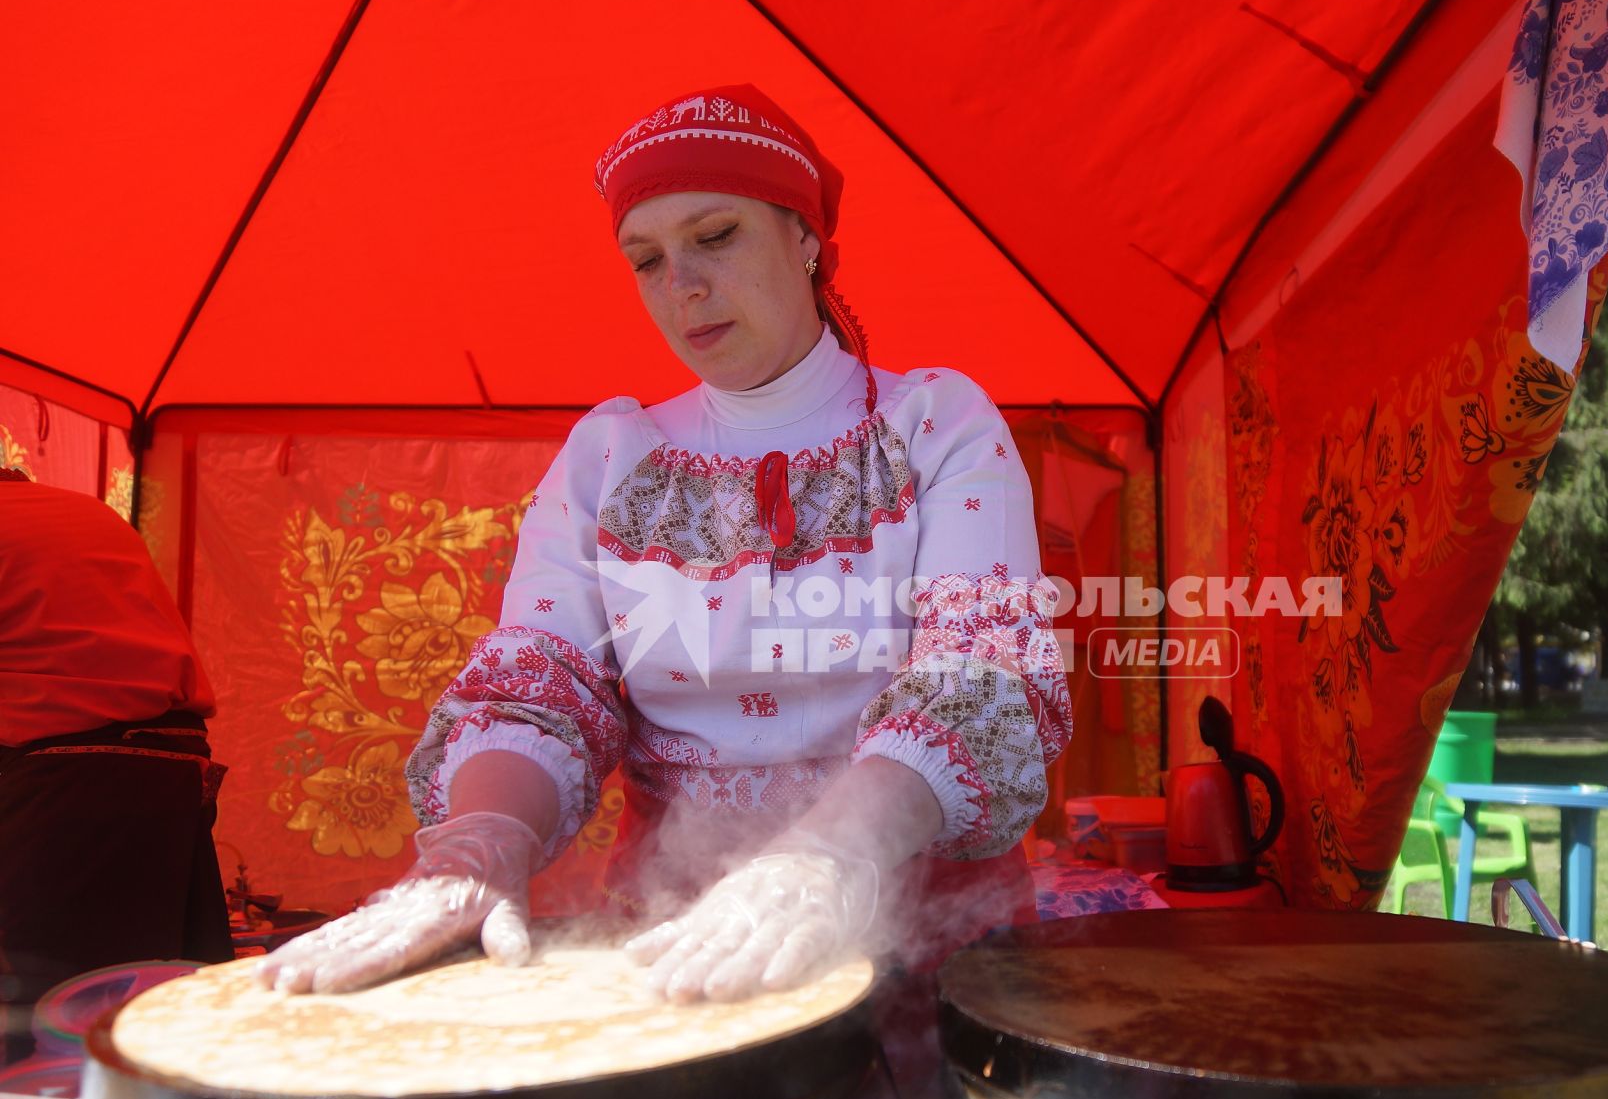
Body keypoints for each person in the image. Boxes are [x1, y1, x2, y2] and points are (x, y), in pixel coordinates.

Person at [258, 84, 1072, 1003]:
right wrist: (478, 842)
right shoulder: (612, 456)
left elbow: (980, 673)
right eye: (646, 258)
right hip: (674, 943)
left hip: (933, 941)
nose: (680, 285)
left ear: (805, 238)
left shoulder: (936, 424)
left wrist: (829, 857)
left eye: (715, 236)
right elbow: (546, 680)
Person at [0, 468, 232, 1063]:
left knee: (41, 1029)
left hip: (60, 788)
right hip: (164, 779)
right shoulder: (87, 511)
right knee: (136, 1015)